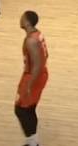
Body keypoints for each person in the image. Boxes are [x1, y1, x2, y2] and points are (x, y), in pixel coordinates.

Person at [15, 10, 49, 146]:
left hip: (34, 76)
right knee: (29, 109)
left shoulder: (31, 41)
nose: (20, 20)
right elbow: (45, 56)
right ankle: (33, 142)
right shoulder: (37, 34)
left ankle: (32, 142)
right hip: (39, 74)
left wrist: (29, 85)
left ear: (27, 22)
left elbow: (37, 65)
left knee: (21, 110)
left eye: (22, 18)